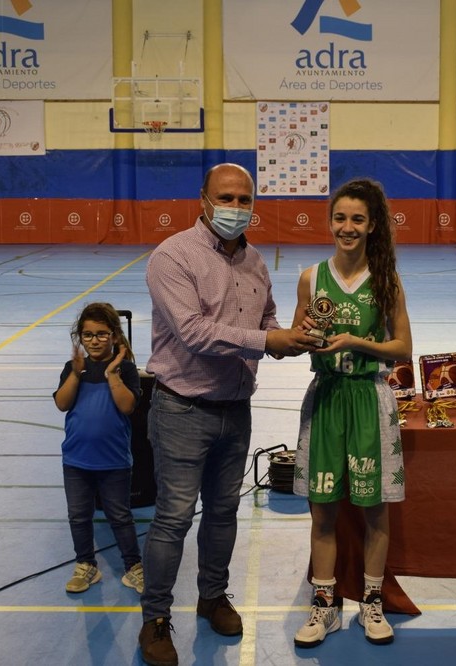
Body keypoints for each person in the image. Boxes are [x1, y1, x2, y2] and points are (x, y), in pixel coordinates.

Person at [137, 163, 319, 666]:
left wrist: (289, 337)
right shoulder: (172, 256)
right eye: (226, 197)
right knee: (173, 520)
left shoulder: (255, 261)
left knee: (222, 514)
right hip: (182, 409)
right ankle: (155, 619)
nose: (236, 208)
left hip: (235, 410)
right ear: (203, 199)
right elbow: (194, 332)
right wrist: (269, 341)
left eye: (244, 199)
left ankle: (212, 596)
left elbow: (266, 318)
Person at [291, 178, 412, 648]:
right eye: (340, 218)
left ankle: (371, 602)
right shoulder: (310, 277)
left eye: (357, 219)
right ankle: (324, 605)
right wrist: (304, 337)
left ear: (372, 225)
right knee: (322, 512)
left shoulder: (386, 280)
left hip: (368, 397)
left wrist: (358, 342)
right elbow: (300, 334)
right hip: (327, 397)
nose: (347, 227)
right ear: (330, 222)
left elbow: (402, 347)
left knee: (373, 510)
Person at [53, 302, 144, 595]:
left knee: (120, 516)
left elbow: (127, 406)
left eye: (102, 334)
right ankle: (86, 565)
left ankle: (133, 566)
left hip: (114, 461)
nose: (94, 340)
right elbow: (62, 403)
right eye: (88, 335)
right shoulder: (73, 368)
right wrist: (76, 374)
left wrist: (113, 373)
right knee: (78, 515)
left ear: (115, 336)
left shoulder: (126, 370)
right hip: (76, 460)